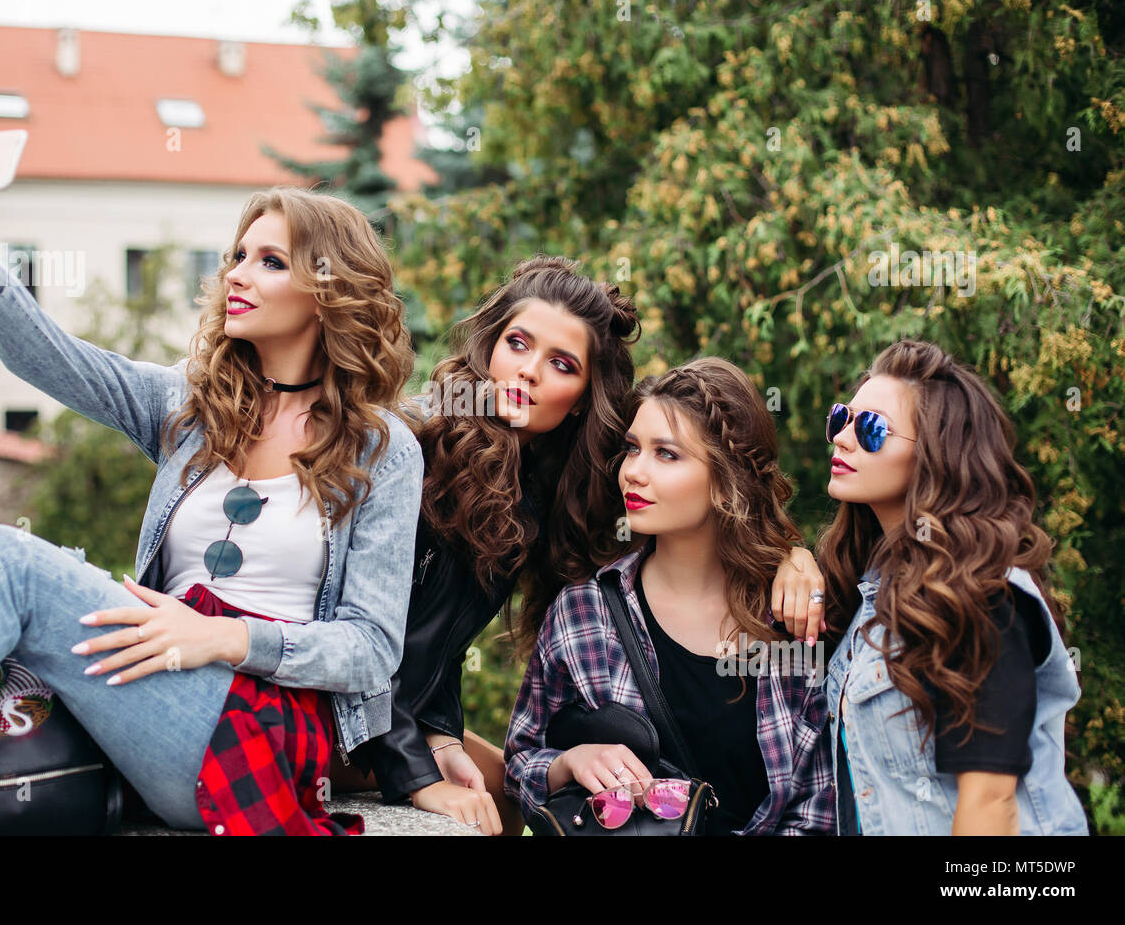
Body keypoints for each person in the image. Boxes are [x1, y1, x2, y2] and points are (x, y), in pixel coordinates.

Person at [0, 124, 423, 836]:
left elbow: (370, 649)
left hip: (251, 726)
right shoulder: (193, 405)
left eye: (269, 261)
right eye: (238, 255)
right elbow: (50, 359)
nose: (234, 272)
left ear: (329, 290)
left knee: (6, 558)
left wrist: (226, 639)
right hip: (152, 675)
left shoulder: (381, 450)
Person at [346, 261, 827, 835]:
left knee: (494, 797)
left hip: (399, 715)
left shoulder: (546, 490)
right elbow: (374, 636)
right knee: (498, 797)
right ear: (487, 347)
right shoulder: (414, 451)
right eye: (517, 343)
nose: (527, 372)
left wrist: (791, 556)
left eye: (561, 363)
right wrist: (422, 771)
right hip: (336, 706)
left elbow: (436, 644)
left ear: (581, 398)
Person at [504, 358, 836, 834]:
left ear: (728, 477)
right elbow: (519, 762)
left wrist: (797, 557)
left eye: (667, 454)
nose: (633, 472)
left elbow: (818, 804)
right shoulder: (583, 613)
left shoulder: (792, 615)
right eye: (632, 448)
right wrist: (570, 762)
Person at [808, 338, 1088, 835]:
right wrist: (792, 561)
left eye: (872, 430)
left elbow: (989, 805)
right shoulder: (868, 593)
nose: (843, 439)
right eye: (841, 419)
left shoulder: (982, 597)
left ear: (937, 456)